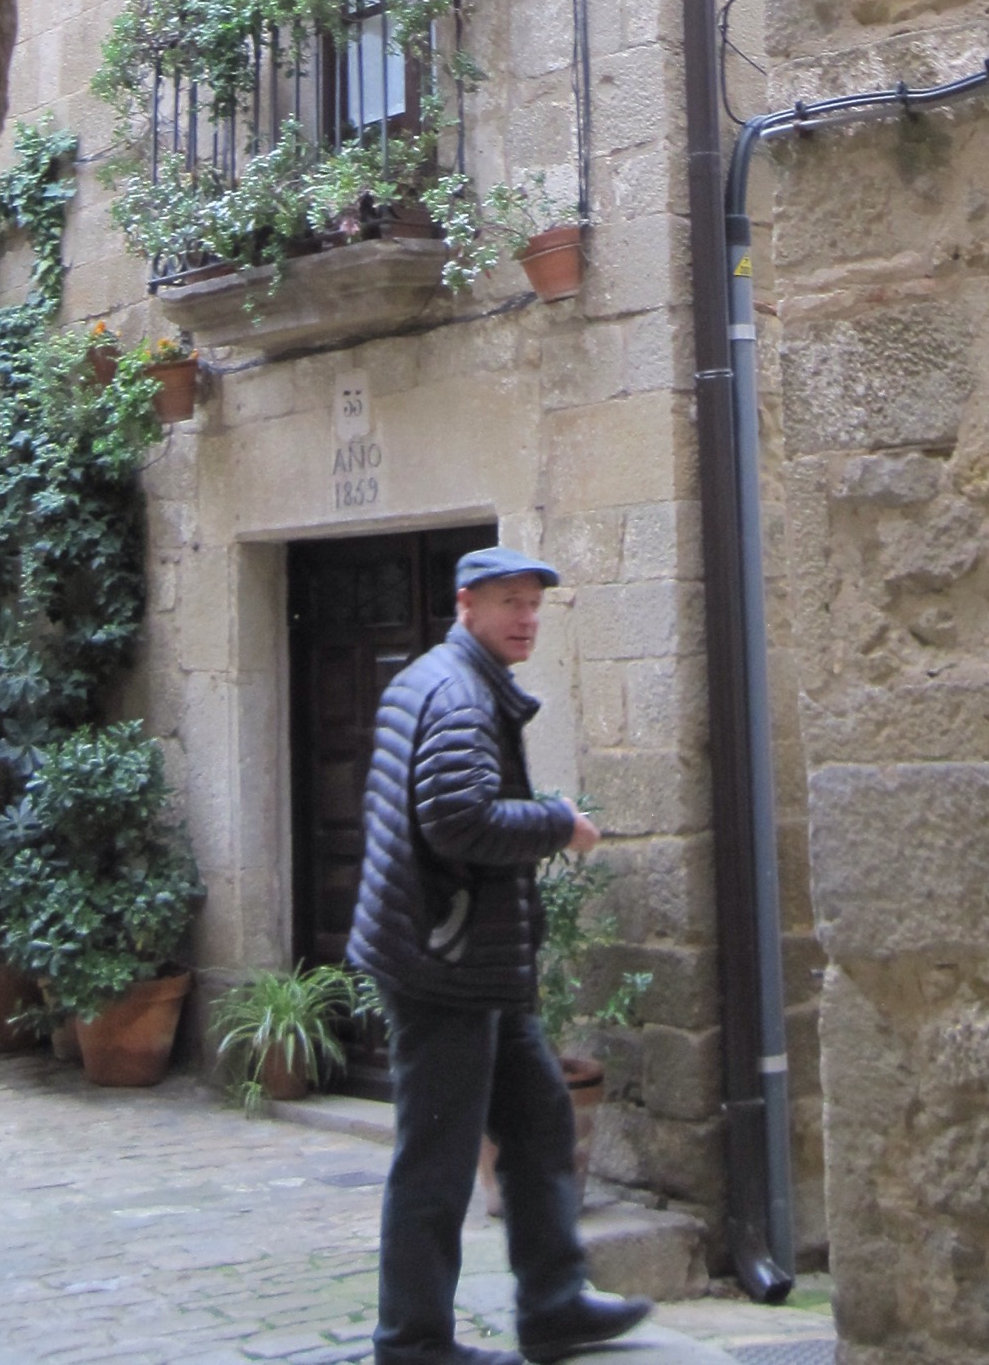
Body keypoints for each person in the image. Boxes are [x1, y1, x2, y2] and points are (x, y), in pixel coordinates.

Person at [349, 544, 653, 1365]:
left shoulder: (442, 677)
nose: (526, 618)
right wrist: (558, 823)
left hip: (465, 957)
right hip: (445, 964)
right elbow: (457, 819)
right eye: (509, 602)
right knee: (437, 1156)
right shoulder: (459, 694)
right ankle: (412, 1343)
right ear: (466, 605)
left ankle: (554, 1306)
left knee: (539, 1118)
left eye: (533, 604)